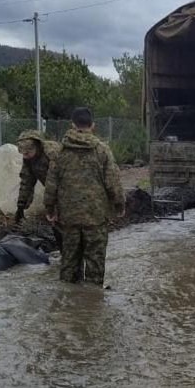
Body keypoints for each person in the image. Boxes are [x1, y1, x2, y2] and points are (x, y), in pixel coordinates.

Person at [44, 107, 125, 286]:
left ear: (72, 125)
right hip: (96, 217)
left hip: (69, 217)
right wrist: (119, 205)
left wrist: (49, 209)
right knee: (95, 265)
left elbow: (51, 184)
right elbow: (113, 182)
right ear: (93, 125)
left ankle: (68, 303)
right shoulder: (102, 150)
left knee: (69, 263)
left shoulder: (60, 151)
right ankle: (92, 305)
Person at [15, 129, 61, 224]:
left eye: (27, 153)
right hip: (54, 191)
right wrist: (21, 205)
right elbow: (26, 181)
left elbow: (53, 183)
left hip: (68, 189)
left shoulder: (52, 152)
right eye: (23, 153)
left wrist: (50, 206)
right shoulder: (29, 158)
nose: (25, 156)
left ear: (37, 147)